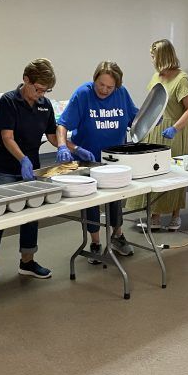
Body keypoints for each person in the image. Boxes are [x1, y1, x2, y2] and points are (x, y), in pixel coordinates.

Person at [0, 59, 59, 290]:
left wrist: (68, 146)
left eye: (45, 91)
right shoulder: (8, 101)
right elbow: (7, 137)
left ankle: (27, 261)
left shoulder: (45, 105)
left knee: (31, 214)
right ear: (26, 80)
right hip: (4, 167)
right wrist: (22, 159)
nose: (41, 95)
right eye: (38, 89)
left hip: (31, 167)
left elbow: (52, 135)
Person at [55, 61, 138, 261]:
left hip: (114, 159)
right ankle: (94, 242)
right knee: (90, 201)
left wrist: (151, 118)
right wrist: (63, 146)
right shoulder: (83, 94)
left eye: (110, 87)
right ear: (94, 79)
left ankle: (117, 236)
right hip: (88, 159)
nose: (104, 90)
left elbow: (135, 119)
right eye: (101, 84)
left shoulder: (121, 93)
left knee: (115, 199)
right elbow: (62, 125)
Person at [126, 39, 188, 231]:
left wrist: (175, 128)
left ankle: (176, 215)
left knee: (174, 173)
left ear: (163, 56)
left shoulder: (181, 79)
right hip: (156, 127)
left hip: (175, 130)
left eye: (153, 56)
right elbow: (151, 103)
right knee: (155, 172)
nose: (151, 60)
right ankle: (155, 216)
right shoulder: (156, 77)